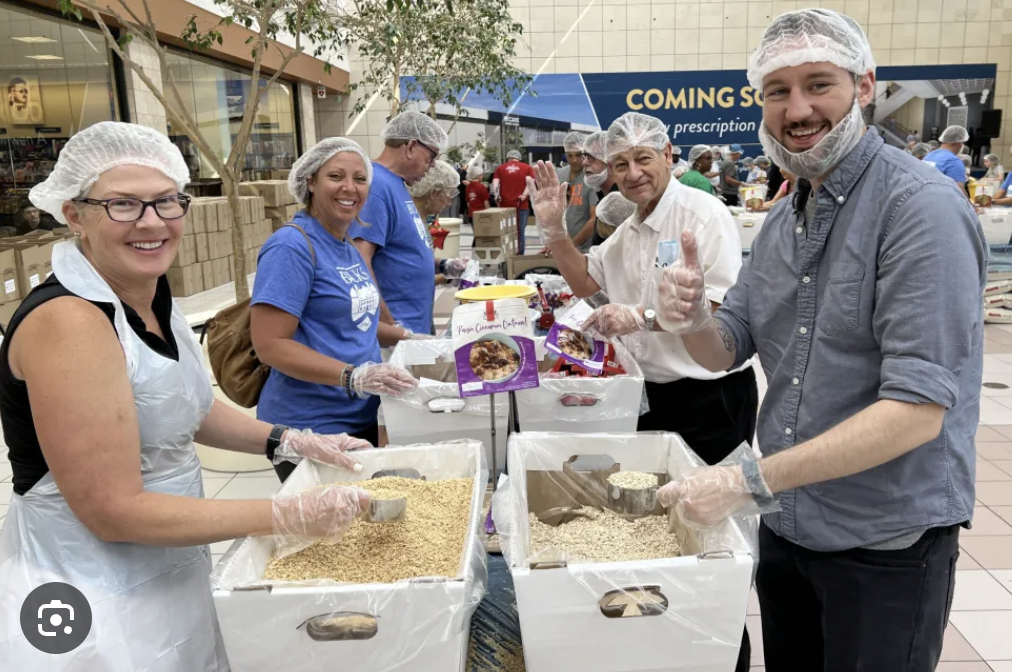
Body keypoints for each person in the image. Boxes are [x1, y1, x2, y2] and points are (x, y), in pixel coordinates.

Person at [657, 10, 984, 672]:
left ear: (864, 86)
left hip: (884, 543)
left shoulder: (918, 209)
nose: (798, 109)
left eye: (818, 85)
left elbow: (915, 412)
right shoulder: (784, 219)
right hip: (790, 527)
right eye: (778, 90)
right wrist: (689, 320)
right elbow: (727, 347)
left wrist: (744, 481)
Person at [0, 122, 382, 669]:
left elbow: (184, 406)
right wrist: (286, 513)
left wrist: (290, 440)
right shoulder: (69, 322)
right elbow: (113, 511)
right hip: (86, 581)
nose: (151, 222)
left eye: (165, 201)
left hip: (167, 561)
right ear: (74, 214)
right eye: (122, 204)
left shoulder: (149, 296)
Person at [527, 111, 756, 672]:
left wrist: (644, 316)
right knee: (660, 524)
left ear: (669, 155)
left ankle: (725, 650)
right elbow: (589, 284)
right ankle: (666, 647)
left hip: (711, 395)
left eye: (643, 159)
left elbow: (721, 309)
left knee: (711, 530)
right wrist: (554, 232)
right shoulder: (629, 229)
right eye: (620, 163)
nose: (632, 174)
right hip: (655, 397)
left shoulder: (700, 214)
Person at [252, 138, 422, 481]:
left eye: (360, 179)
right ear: (311, 181)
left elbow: (356, 322)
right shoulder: (292, 247)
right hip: (312, 425)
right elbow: (270, 345)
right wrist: (352, 376)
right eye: (336, 176)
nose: (350, 188)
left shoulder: (345, 245)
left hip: (360, 413)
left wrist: (410, 338)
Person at [350, 110, 449, 337]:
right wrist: (389, 324)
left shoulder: (396, 185)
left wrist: (444, 265)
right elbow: (360, 260)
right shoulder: (377, 186)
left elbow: (402, 250)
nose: (432, 166)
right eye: (431, 157)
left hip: (413, 322)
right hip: (396, 329)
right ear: (411, 146)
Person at [407, 160, 468, 280]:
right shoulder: (407, 223)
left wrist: (444, 266)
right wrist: (445, 277)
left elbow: (421, 263)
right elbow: (409, 275)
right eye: (448, 196)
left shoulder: (424, 220)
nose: (449, 203)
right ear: (434, 193)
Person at [545, 131, 599, 254]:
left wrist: (572, 245)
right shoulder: (559, 175)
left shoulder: (591, 178)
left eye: (578, 155)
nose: (574, 160)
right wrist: (552, 241)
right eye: (570, 156)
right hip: (561, 246)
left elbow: (594, 219)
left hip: (585, 250)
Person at [492, 149, 536, 253]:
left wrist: (497, 195)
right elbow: (530, 183)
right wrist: (524, 195)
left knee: (505, 233)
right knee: (520, 233)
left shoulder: (500, 168)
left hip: (504, 207)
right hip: (521, 205)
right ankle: (519, 257)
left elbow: (496, 182)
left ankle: (506, 255)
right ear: (519, 158)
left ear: (508, 158)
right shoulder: (528, 168)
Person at [583, 131, 622, 245]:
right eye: (584, 156)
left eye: (592, 156)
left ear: (611, 160)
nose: (584, 162)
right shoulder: (604, 197)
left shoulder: (618, 201)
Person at [922, 125, 970, 197]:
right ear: (959, 142)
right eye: (963, 143)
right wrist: (970, 204)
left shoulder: (929, 156)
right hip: (939, 201)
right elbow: (959, 193)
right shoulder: (953, 161)